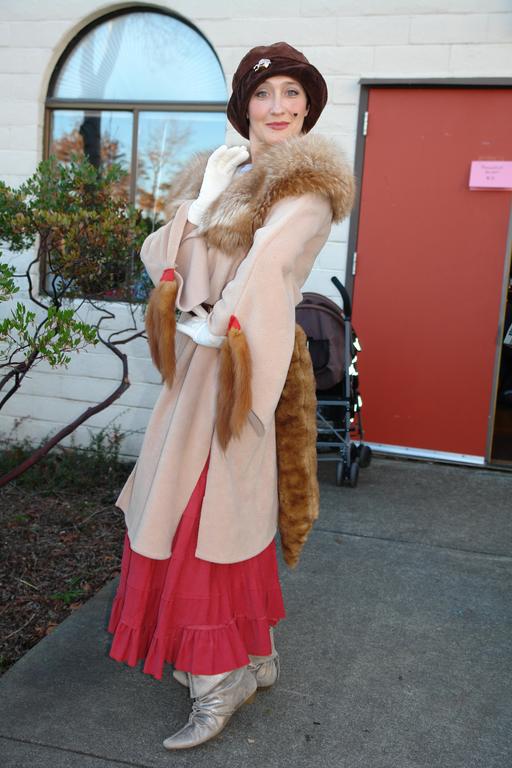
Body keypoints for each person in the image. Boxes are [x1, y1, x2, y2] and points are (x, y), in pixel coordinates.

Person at [107, 41, 355, 750]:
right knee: (192, 509)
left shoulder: (305, 187)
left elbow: (265, 270)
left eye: (292, 94)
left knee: (208, 519)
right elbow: (163, 258)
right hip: (196, 370)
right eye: (263, 93)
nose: (278, 107)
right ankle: (253, 656)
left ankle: (218, 680)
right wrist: (204, 199)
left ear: (308, 107)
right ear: (243, 105)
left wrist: (219, 327)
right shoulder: (225, 173)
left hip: (240, 367)